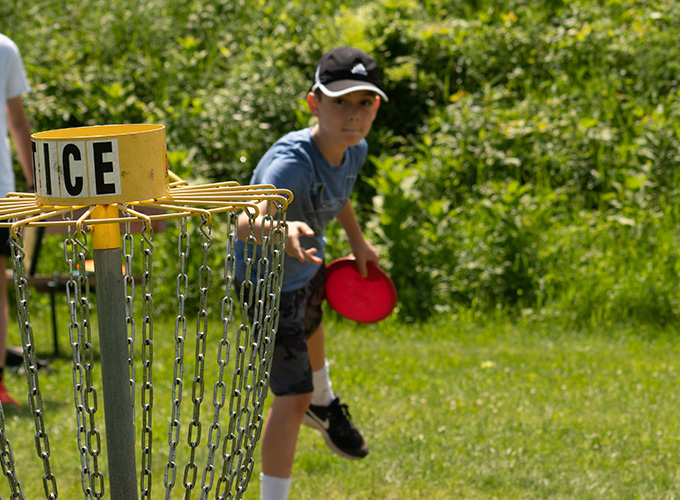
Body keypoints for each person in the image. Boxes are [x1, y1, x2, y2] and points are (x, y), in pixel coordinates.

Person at [234, 46, 387, 500]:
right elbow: (243, 221)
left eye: (363, 102)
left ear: (375, 106)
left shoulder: (352, 149)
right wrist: (278, 229)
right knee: (290, 399)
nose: (353, 114)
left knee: (313, 326)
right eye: (340, 101)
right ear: (314, 103)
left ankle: (324, 400)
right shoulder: (289, 165)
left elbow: (337, 194)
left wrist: (357, 241)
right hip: (267, 285)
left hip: (306, 266)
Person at [0, 33, 35, 407]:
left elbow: (17, 123)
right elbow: (18, 122)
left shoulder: (5, 48)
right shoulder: (4, 46)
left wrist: (33, 186)